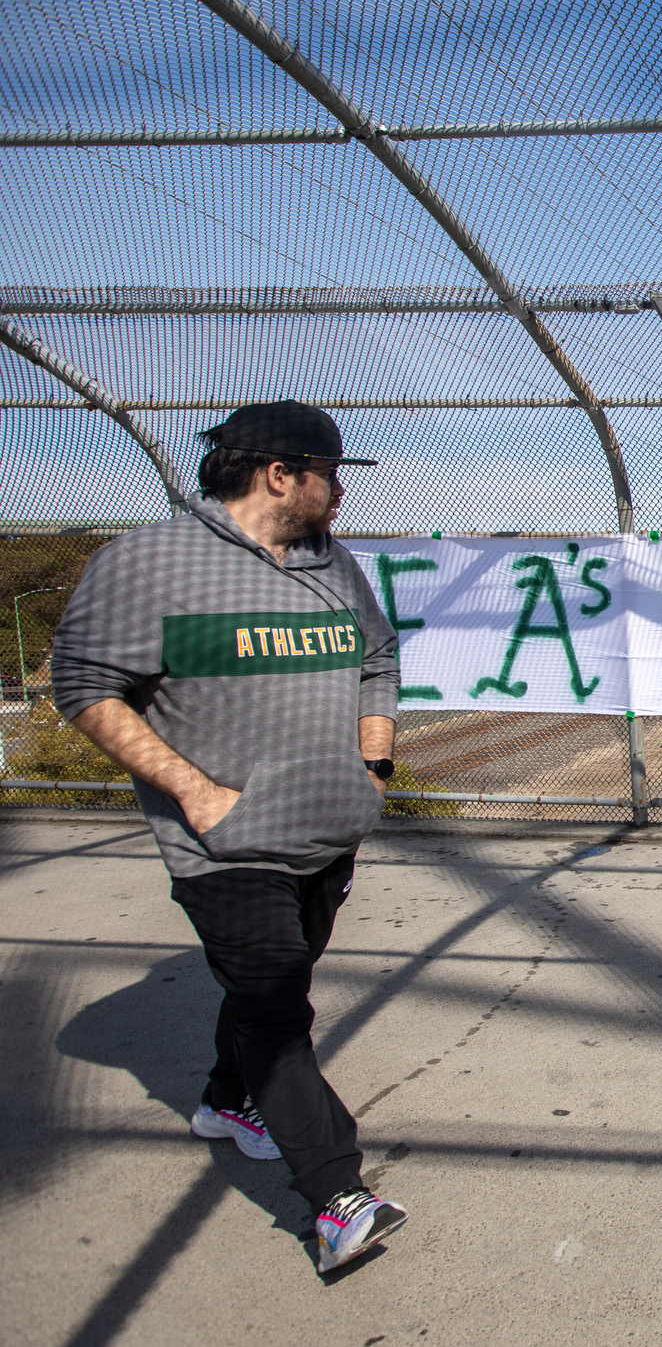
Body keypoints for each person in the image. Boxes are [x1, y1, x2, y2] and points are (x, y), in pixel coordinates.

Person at [51, 401, 409, 1275]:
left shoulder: (331, 561)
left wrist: (374, 771)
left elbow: (377, 658)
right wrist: (195, 791)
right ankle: (336, 1194)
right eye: (331, 472)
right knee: (280, 1010)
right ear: (280, 473)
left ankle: (225, 1099)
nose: (339, 492)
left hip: (328, 831)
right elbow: (84, 684)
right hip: (227, 845)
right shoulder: (150, 561)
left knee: (268, 995)